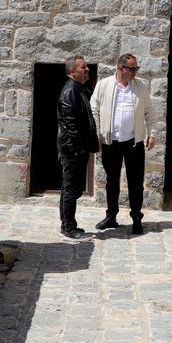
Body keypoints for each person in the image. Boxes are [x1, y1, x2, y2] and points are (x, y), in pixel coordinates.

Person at [91, 53, 155, 235]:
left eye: (136, 68)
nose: (135, 72)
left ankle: (136, 217)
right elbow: (94, 108)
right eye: (132, 68)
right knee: (111, 180)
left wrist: (152, 133)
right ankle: (111, 215)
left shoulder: (139, 86)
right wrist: (97, 134)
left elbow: (149, 112)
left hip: (134, 142)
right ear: (120, 68)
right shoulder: (104, 85)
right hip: (111, 141)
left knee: (136, 182)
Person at [55, 55, 99, 238]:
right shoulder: (70, 92)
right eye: (83, 67)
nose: (87, 69)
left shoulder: (79, 90)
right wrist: (79, 148)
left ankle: (67, 224)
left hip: (76, 148)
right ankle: (68, 227)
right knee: (71, 188)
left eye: (87, 66)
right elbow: (72, 124)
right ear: (73, 72)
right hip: (72, 148)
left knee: (71, 188)